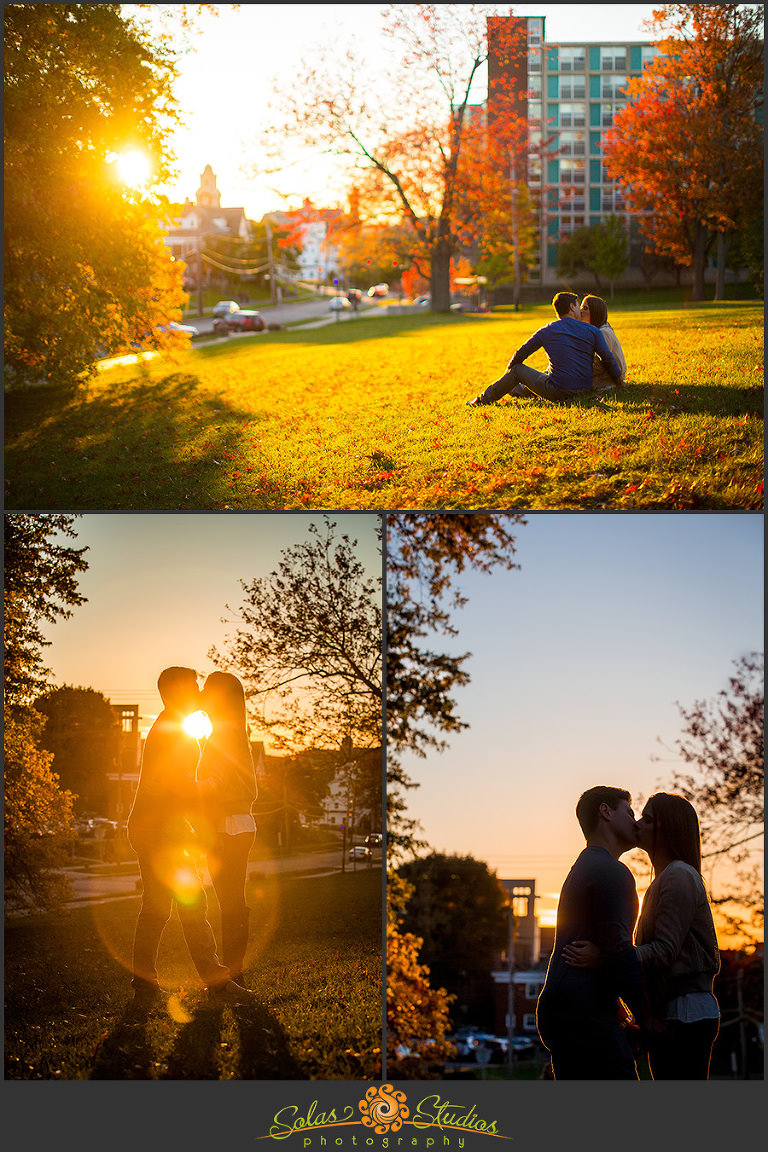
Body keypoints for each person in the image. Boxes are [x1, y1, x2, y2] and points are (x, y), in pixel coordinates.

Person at [565, 792, 720, 1080]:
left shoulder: (678, 875)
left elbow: (663, 950)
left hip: (686, 1013)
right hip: (673, 1011)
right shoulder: (663, 879)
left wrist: (604, 956)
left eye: (647, 819)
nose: (637, 824)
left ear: (667, 829)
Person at [127, 666, 248, 1014]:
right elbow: (173, 788)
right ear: (178, 691)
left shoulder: (173, 728)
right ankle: (217, 982)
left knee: (157, 909)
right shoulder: (172, 733)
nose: (199, 692)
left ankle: (145, 984)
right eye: (194, 686)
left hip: (158, 829)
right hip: (160, 833)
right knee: (187, 907)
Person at [535, 785, 643, 1079]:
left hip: (570, 1008)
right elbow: (620, 951)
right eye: (630, 812)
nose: (636, 822)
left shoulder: (585, 866)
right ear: (605, 812)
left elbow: (610, 948)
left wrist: (603, 959)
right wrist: (650, 1016)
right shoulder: (610, 870)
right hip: (585, 1013)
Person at [195, 671, 258, 992]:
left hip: (229, 827)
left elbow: (225, 783)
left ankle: (234, 973)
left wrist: (188, 789)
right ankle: (235, 972)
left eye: (208, 691)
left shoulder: (226, 734)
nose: (203, 694)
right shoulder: (230, 731)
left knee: (231, 903)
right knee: (231, 902)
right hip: (236, 826)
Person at [466, 291, 623, 406]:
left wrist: (509, 373)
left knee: (517, 370)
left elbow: (521, 353)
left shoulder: (547, 331)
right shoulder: (593, 331)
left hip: (558, 391)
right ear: (571, 307)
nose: (580, 309)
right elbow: (607, 358)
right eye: (578, 305)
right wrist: (620, 382)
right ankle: (518, 389)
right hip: (586, 389)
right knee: (544, 373)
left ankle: (482, 400)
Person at [579, 294, 627, 391]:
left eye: (585, 308)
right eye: (581, 307)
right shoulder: (596, 330)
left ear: (595, 312)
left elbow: (604, 363)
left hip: (609, 379)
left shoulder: (603, 332)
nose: (580, 311)